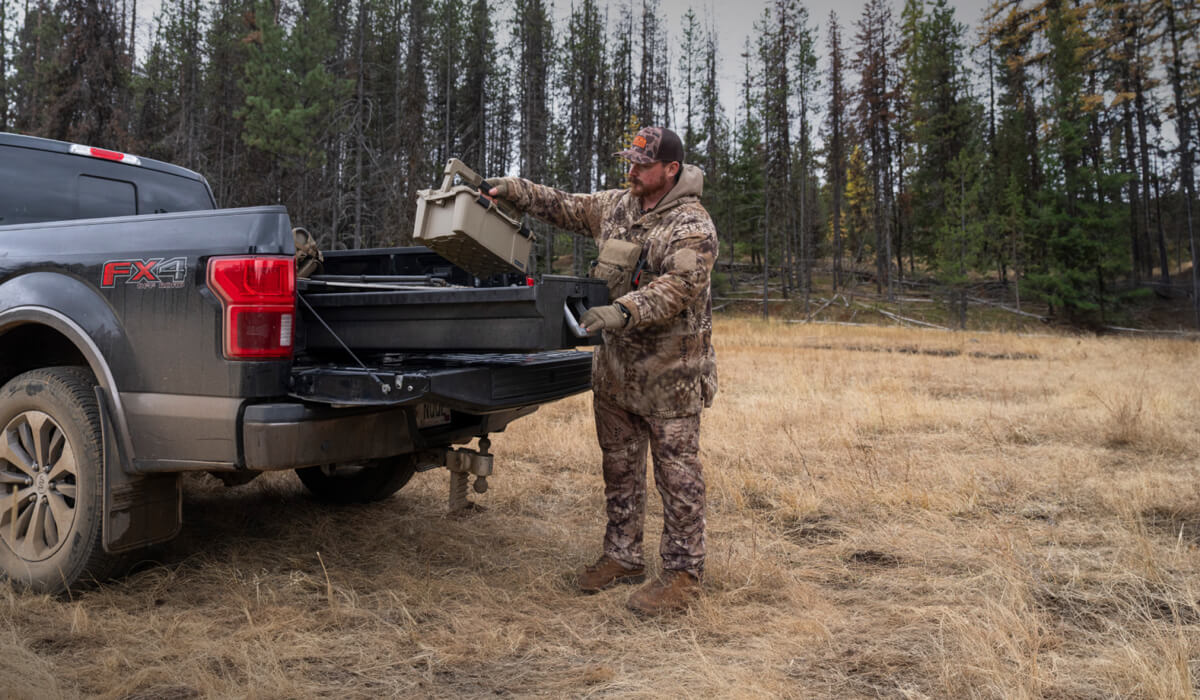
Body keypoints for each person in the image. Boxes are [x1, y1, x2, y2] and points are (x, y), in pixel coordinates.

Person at [488, 126, 718, 615]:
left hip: (670, 377)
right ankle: (622, 556)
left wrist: (622, 311)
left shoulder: (692, 225)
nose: (630, 171)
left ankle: (682, 574)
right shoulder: (617, 206)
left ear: (671, 170)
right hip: (615, 373)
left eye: (642, 165)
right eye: (628, 162)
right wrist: (517, 190)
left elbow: (681, 285)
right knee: (619, 468)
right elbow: (566, 205)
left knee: (677, 477)